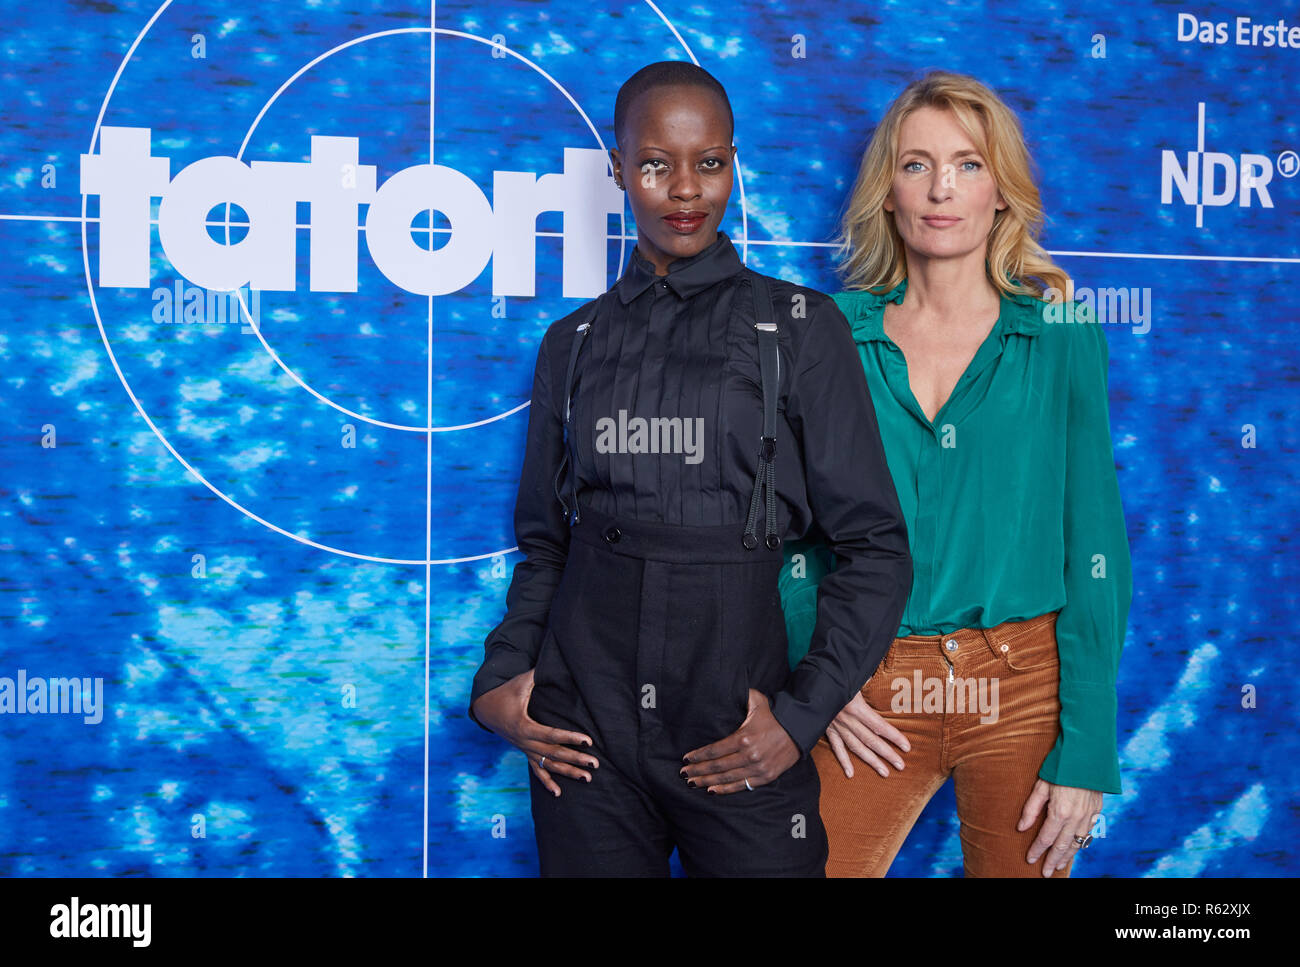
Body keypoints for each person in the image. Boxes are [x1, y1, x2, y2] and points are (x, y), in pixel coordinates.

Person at [467, 61, 912, 877]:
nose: (684, 189)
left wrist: (799, 716)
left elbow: (879, 548)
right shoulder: (571, 344)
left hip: (736, 729)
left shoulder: (800, 327)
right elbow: (545, 543)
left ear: (734, 163)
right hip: (586, 738)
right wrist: (502, 677)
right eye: (654, 164)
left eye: (708, 162)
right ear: (618, 170)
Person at [780, 69, 1132, 878]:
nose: (942, 188)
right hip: (870, 683)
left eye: (969, 165)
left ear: (1002, 192)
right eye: (917, 164)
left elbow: (1095, 547)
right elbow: (786, 536)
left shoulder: (1063, 334)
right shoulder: (827, 334)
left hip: (1025, 686)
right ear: (888, 191)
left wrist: (1088, 749)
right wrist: (819, 677)